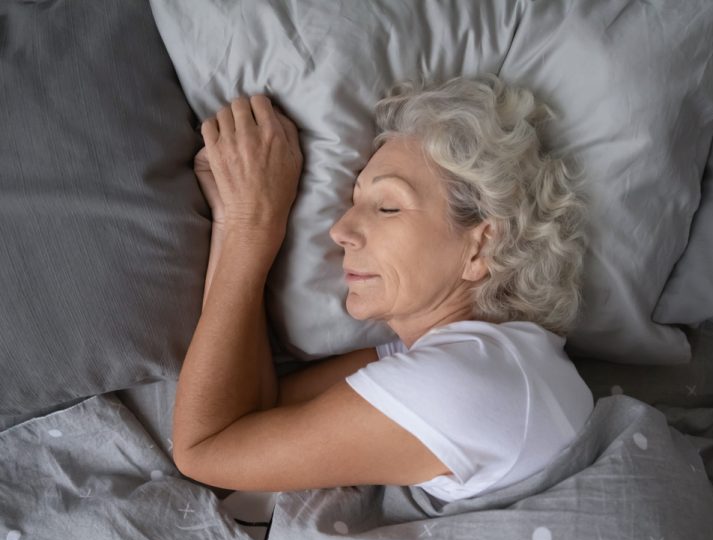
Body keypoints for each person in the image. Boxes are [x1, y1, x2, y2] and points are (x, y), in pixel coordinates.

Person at [172, 74, 594, 504]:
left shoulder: (456, 383)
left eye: (388, 206)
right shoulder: (486, 357)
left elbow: (206, 450)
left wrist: (252, 228)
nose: (341, 230)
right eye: (354, 203)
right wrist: (231, 221)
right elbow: (258, 417)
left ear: (480, 246)